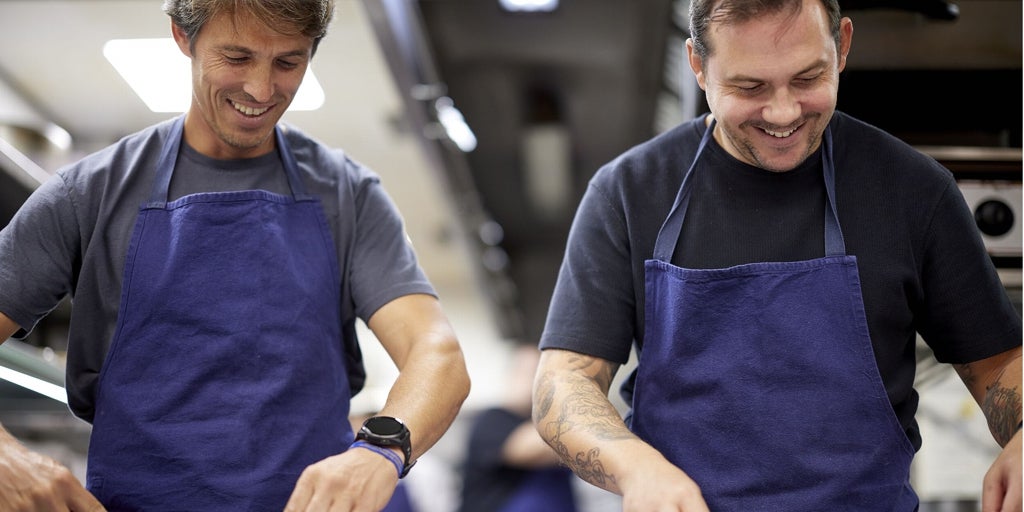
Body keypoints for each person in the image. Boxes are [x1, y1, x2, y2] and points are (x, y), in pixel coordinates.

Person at [531, 0, 1023, 511]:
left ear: (844, 46)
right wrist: (636, 468)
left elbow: (999, 363)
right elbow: (565, 381)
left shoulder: (912, 191)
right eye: (750, 87)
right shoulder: (629, 193)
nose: (784, 113)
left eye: (809, 78)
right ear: (698, 65)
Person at [0, 0, 471, 510]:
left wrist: (381, 449)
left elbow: (437, 353)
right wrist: (8, 460)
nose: (262, 90)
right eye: (238, 57)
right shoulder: (90, 193)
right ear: (184, 37)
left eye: (288, 63)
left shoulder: (346, 195)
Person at [457, 344, 579, 512]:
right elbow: (531, 449)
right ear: (512, 376)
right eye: (531, 373)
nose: (539, 382)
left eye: (546, 376)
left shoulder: (563, 426)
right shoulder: (492, 419)